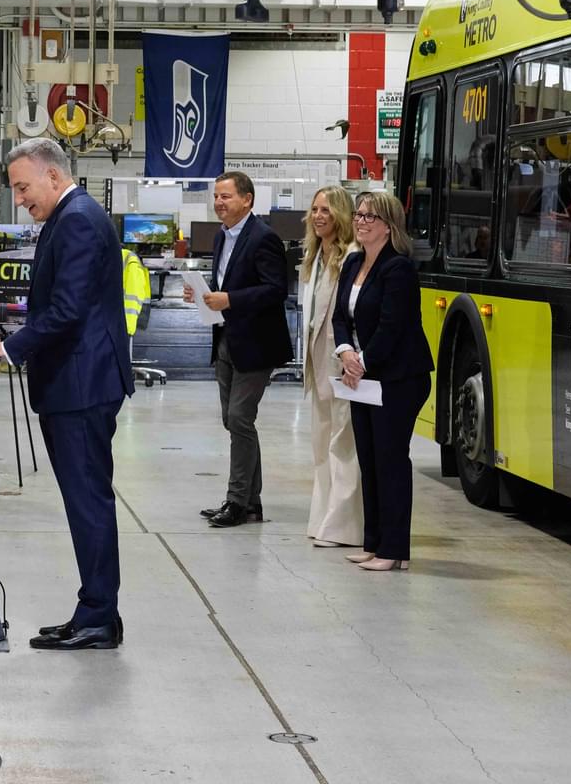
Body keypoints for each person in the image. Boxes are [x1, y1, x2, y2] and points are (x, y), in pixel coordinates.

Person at [0, 139, 133, 651]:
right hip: (76, 381)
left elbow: (67, 310)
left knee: (88, 502)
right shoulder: (69, 216)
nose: (19, 199)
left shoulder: (77, 219)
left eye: (22, 187)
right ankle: (95, 610)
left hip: (82, 384)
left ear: (53, 176)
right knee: (85, 501)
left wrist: (8, 348)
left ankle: (99, 618)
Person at [185, 170, 293, 528]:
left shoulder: (264, 238)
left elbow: (276, 289)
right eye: (216, 196)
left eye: (226, 196)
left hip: (257, 343)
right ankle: (250, 502)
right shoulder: (221, 236)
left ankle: (236, 500)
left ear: (247, 200)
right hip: (226, 340)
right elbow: (226, 281)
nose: (218, 202)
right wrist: (202, 293)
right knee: (233, 421)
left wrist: (230, 299)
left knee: (240, 418)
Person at [334, 191, 435, 572]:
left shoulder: (399, 269)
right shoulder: (353, 262)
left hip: (399, 378)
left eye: (369, 217)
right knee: (369, 460)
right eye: (358, 215)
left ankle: (394, 550)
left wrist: (361, 362)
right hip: (363, 376)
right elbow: (340, 317)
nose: (361, 222)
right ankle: (374, 544)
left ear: (389, 226)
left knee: (390, 461)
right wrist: (346, 352)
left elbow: (392, 326)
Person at [300, 185, 362, 549]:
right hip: (316, 361)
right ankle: (323, 519)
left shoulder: (352, 256)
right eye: (315, 210)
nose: (319, 216)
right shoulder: (315, 256)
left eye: (326, 210)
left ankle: (344, 527)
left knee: (343, 443)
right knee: (321, 443)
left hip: (341, 362)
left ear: (341, 214)